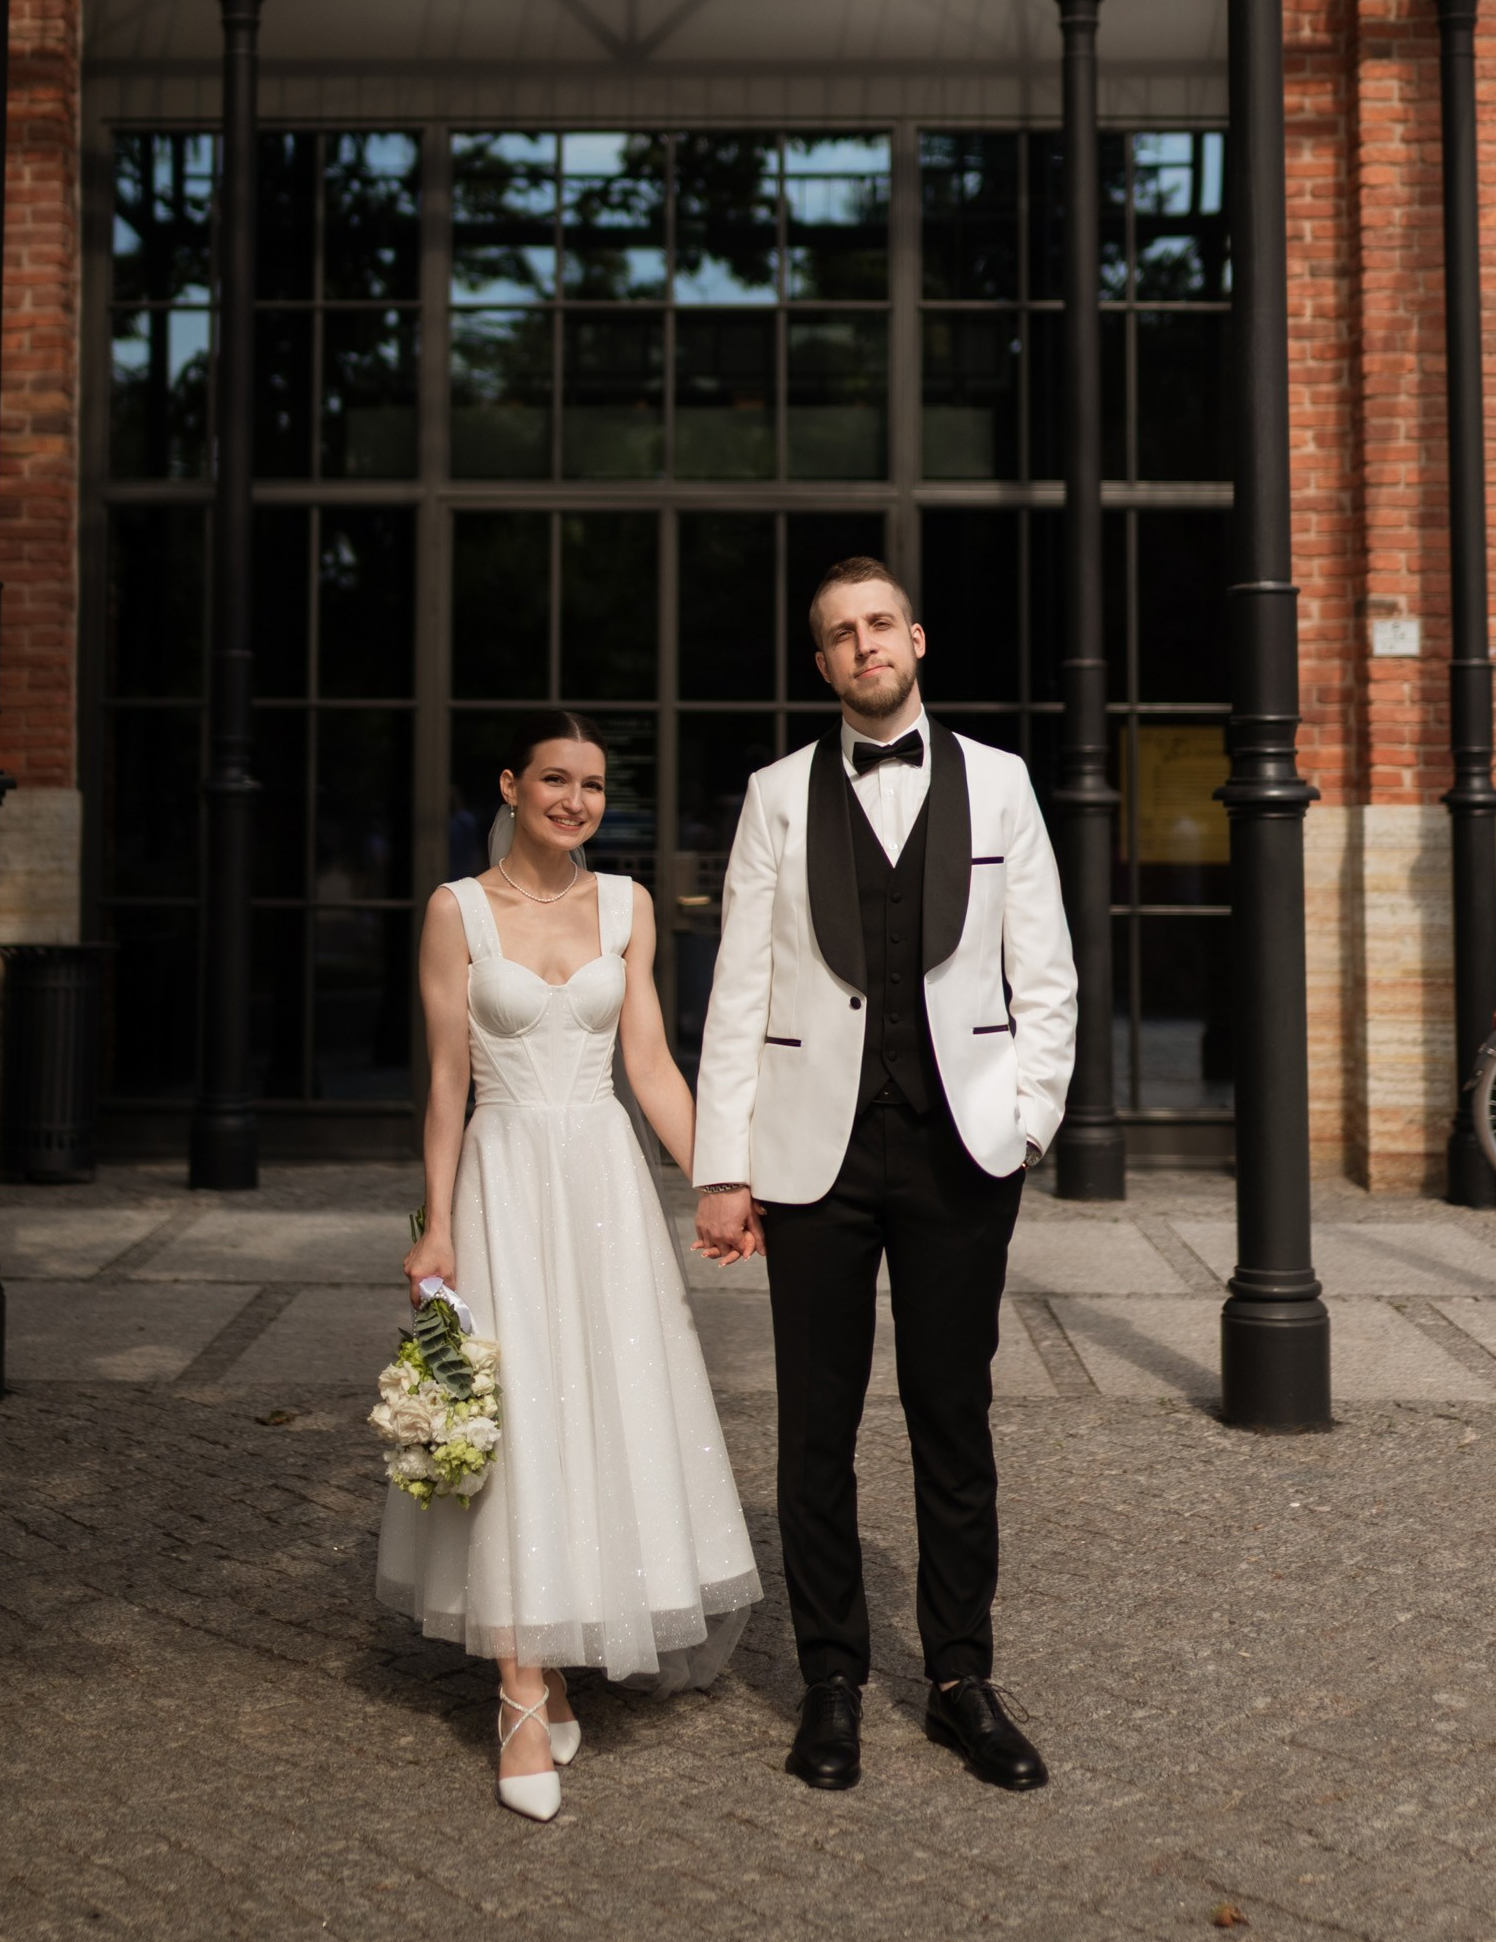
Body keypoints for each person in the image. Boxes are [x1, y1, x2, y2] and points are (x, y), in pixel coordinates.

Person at [692, 558, 1075, 1795]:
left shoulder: (1003, 783)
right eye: (838, 635)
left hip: (961, 1146)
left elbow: (1046, 974)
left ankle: (961, 1676)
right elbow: (739, 985)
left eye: (878, 624)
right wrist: (721, 1163)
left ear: (915, 636)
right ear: (821, 664)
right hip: (813, 1152)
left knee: (949, 1418)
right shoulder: (776, 794)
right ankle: (832, 1681)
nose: (863, 645)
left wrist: (1024, 1121)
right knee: (815, 1430)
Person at [380, 710, 760, 1822]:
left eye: (591, 783)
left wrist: (719, 1180)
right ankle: (516, 1687)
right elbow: (448, 1081)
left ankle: (561, 1636)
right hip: (501, 1182)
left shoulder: (628, 905)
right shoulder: (455, 911)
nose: (574, 799)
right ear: (510, 783)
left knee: (599, 1405)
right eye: (554, 777)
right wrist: (435, 1222)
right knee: (515, 1424)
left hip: (602, 1182)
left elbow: (648, 1061)